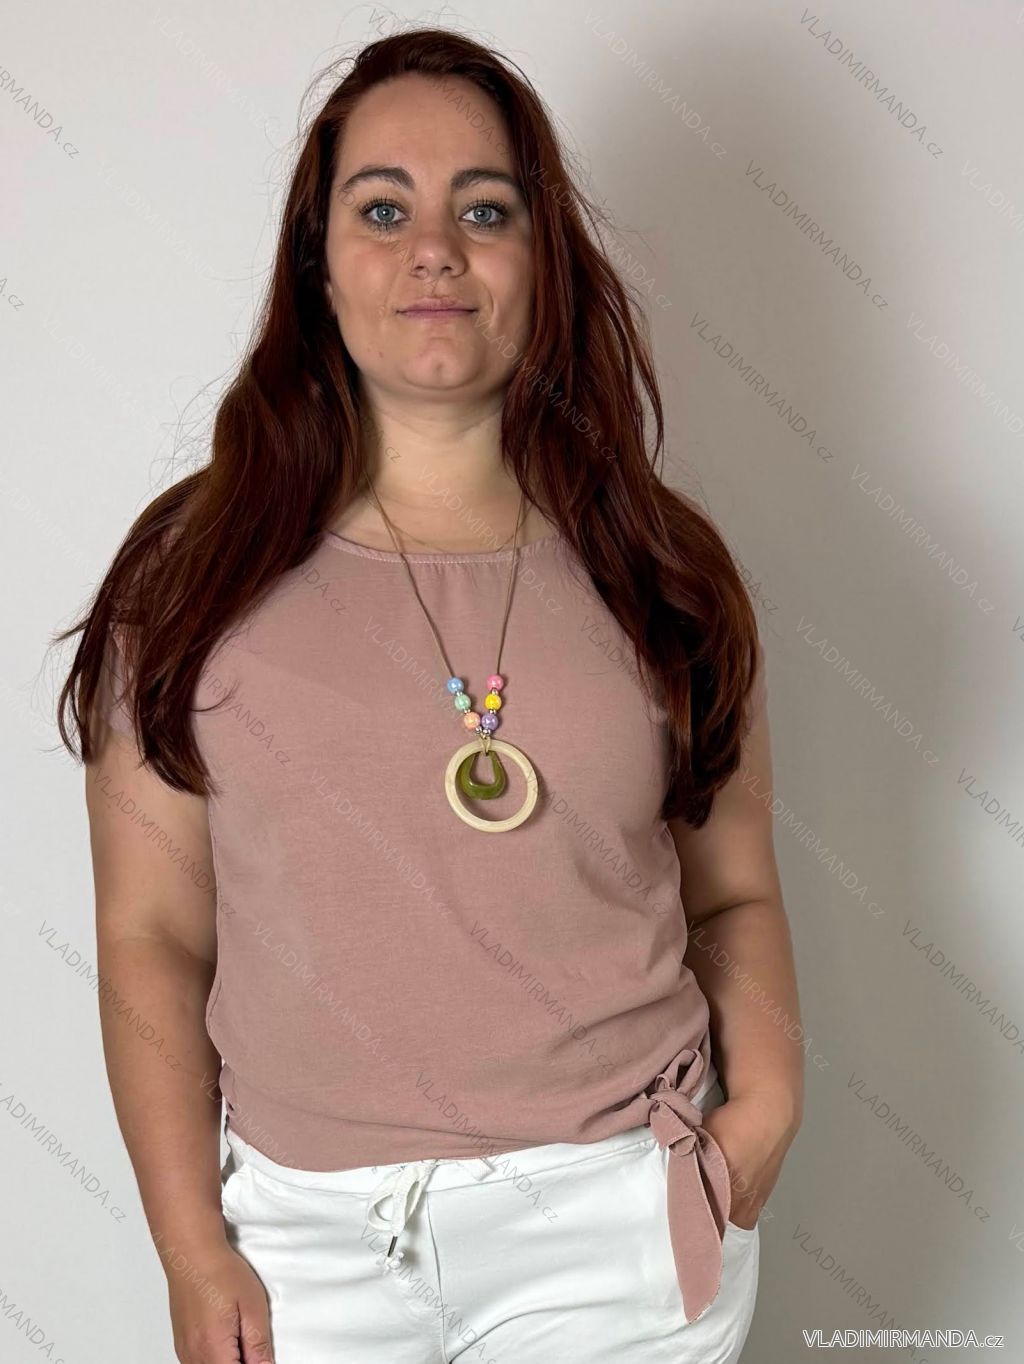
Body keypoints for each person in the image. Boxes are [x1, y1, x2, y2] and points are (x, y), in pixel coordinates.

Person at [56, 26, 804, 1364]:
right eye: (384, 208)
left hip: (622, 1231)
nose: (437, 250)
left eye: (487, 209)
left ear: (541, 257)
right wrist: (191, 1247)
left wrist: (769, 1105)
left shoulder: (663, 570)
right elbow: (151, 936)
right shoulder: (191, 576)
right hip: (304, 1251)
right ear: (317, 261)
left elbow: (733, 892)